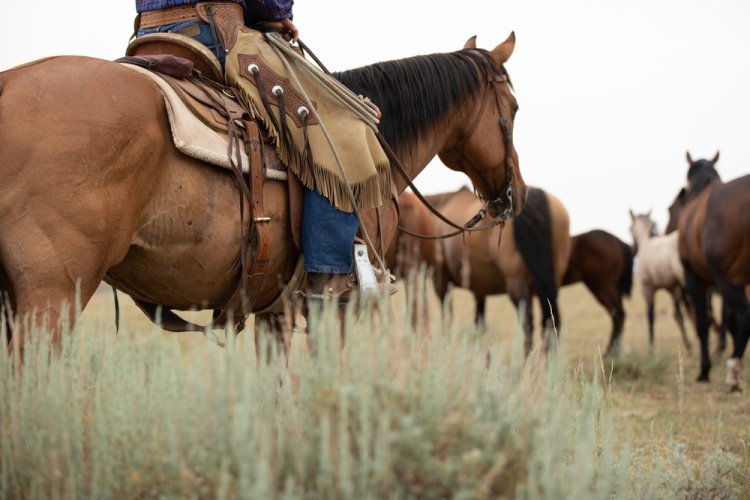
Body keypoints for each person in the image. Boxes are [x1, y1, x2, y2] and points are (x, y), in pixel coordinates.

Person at [133, 1, 393, 301]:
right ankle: (330, 278)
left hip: (146, 35)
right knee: (345, 126)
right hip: (215, 33)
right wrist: (277, 14)